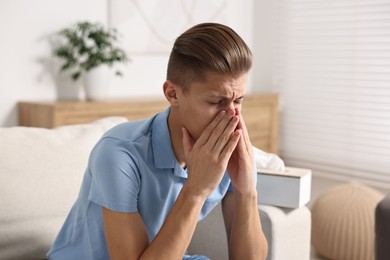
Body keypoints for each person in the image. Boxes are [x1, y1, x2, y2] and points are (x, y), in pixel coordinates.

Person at [47, 22, 268, 260]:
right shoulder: (118, 154)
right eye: (216, 102)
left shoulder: (231, 152)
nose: (232, 116)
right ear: (173, 94)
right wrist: (195, 190)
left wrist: (247, 191)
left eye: (239, 101)